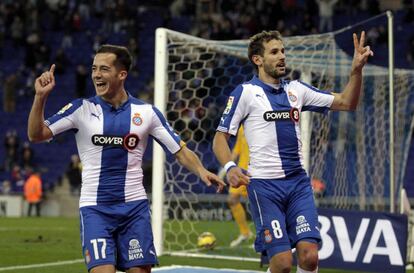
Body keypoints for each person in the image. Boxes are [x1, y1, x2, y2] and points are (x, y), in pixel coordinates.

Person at [28, 45, 225, 273]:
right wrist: (40, 98)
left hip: (133, 209)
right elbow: (36, 134)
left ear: (122, 74)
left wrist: (202, 171)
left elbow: (179, 150)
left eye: (104, 69)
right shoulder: (80, 109)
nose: (96, 75)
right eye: (94, 69)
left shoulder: (147, 113)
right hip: (96, 209)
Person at [212, 30, 373, 273]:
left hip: (298, 184)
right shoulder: (245, 93)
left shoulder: (297, 90)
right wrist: (231, 167)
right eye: (274, 52)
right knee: (283, 263)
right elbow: (219, 139)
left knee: (309, 258)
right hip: (265, 187)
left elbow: (347, 102)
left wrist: (356, 71)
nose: (282, 56)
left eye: (283, 51)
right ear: (258, 60)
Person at [220, 125, 253, 247]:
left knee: (260, 204)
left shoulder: (260, 124)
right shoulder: (241, 129)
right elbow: (236, 150)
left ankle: (264, 237)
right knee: (232, 199)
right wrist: (226, 167)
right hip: (241, 171)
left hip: (256, 170)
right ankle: (245, 233)